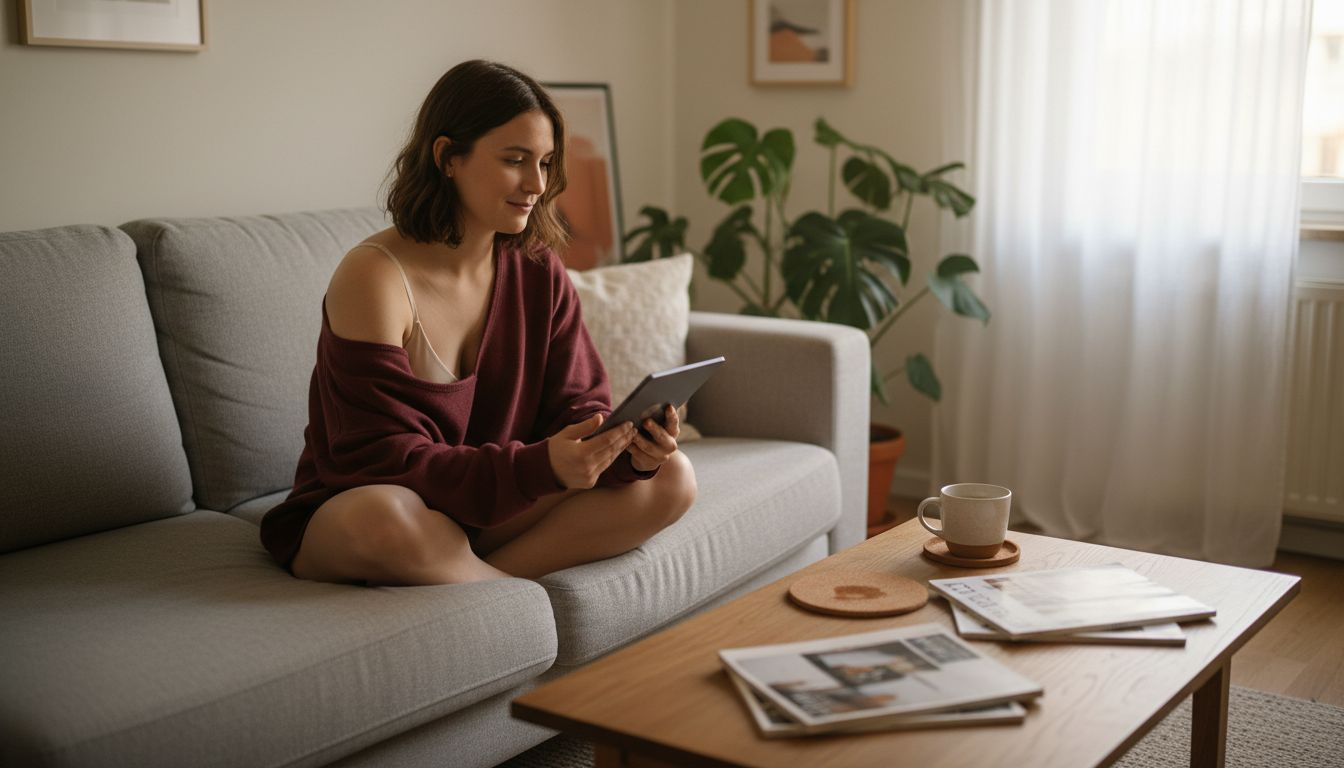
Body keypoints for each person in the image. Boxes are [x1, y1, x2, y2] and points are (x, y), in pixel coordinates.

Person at [260, 60, 696, 587]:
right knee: (384, 519)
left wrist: (626, 448)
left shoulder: (536, 267)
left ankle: (482, 585)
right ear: (448, 157)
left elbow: (577, 405)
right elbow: (378, 459)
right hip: (382, 502)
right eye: (515, 160)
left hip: (488, 504)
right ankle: (500, 599)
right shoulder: (374, 277)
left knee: (672, 478)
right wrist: (541, 469)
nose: (536, 184)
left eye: (545, 162)